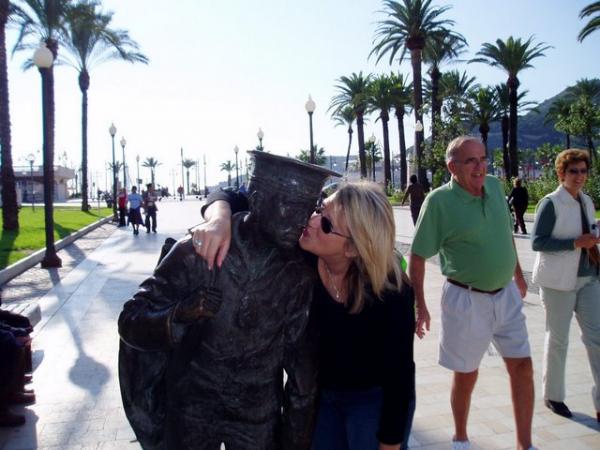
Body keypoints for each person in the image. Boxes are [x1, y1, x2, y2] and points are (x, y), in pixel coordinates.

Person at [118, 151, 336, 450]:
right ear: (257, 198)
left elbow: (303, 376)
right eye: (289, 207)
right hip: (193, 409)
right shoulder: (198, 252)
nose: (300, 220)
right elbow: (131, 321)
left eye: (306, 209)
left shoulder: (297, 277)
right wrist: (179, 314)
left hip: (257, 415)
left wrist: (294, 443)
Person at [196, 182, 416, 450]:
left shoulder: (391, 292)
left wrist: (390, 443)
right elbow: (232, 195)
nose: (311, 221)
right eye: (319, 209)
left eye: (326, 224)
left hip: (373, 399)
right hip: (321, 396)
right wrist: (219, 218)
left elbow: (399, 376)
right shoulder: (302, 254)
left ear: (353, 248)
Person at [408, 136, 536, 450]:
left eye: (483, 159)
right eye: (471, 161)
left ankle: (525, 444)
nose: (480, 167)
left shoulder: (493, 186)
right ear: (452, 167)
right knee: (466, 374)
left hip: (505, 295)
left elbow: (504, 234)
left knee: (523, 366)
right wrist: (419, 305)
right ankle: (461, 438)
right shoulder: (438, 202)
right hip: (465, 300)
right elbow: (417, 255)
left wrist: (517, 275)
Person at [531, 149, 600, 421]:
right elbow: (538, 242)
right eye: (573, 171)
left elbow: (587, 233)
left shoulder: (586, 200)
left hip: (589, 278)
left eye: (583, 171)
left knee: (597, 340)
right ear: (561, 173)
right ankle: (554, 396)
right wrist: (575, 243)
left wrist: (592, 239)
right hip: (558, 282)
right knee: (558, 339)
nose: (579, 176)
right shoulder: (551, 203)